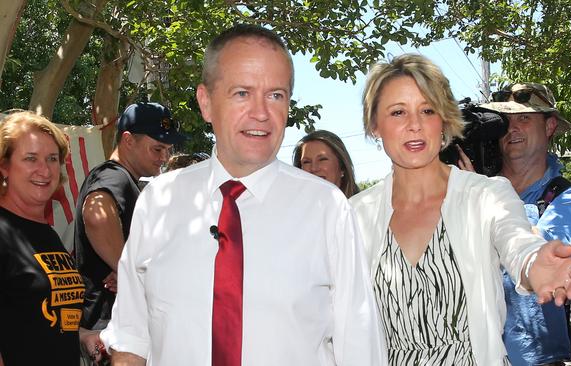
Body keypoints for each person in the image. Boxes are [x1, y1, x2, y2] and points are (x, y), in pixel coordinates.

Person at [100, 24, 385, 366]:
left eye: (276, 95)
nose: (262, 113)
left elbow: (359, 347)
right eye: (242, 93)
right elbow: (131, 338)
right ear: (205, 103)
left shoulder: (327, 209)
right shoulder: (158, 202)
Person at [350, 53, 571, 365]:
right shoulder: (354, 215)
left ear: (445, 120)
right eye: (397, 112)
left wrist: (533, 263)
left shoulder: (487, 195)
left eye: (427, 110)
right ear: (375, 125)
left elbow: (516, 241)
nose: (414, 125)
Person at [479, 82, 571, 365]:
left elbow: (538, 255)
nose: (512, 128)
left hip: (534, 358)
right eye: (504, 121)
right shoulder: (472, 189)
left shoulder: (567, 197)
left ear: (550, 126)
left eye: (524, 118)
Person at [74, 102, 183, 362]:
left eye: (168, 150)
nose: (164, 158)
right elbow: (95, 216)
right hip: (110, 332)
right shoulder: (114, 176)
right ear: (128, 140)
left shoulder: (125, 179)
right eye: (157, 148)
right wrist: (129, 271)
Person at [0, 111, 85, 365]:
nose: (44, 170)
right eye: (30, 158)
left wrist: (86, 336)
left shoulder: (46, 233)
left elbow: (43, 320)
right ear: (4, 166)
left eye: (51, 159)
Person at [292, 129, 360, 197]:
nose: (313, 168)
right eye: (306, 162)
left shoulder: (362, 205)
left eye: (322, 159)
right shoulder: (290, 206)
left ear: (342, 167)